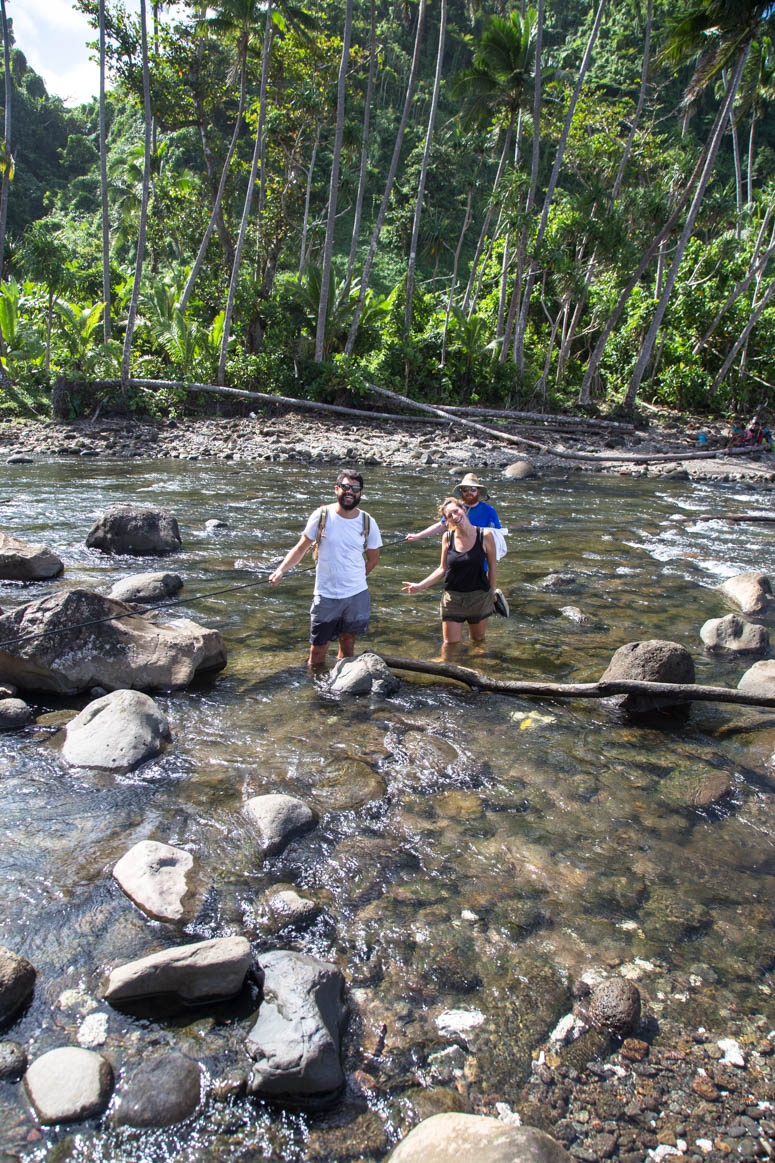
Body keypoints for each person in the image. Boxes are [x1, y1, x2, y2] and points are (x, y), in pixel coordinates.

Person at [269, 469, 382, 671]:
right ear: (336, 489)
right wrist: (280, 570)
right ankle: (317, 694)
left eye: (355, 488)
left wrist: (356, 577)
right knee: (317, 651)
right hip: (326, 595)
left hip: (357, 595)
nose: (350, 492)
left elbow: (373, 559)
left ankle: (342, 687)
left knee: (348, 647)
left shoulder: (368, 521)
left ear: (361, 493)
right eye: (346, 487)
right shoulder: (321, 516)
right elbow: (301, 547)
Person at [402, 496, 496, 659]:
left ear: (464, 510)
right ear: (446, 520)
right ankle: (449, 674)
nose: (454, 516)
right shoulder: (448, 538)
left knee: (478, 642)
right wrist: (420, 586)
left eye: (456, 511)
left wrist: (492, 594)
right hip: (452, 599)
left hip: (479, 597)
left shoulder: (485, 535)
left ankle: (478, 672)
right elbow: (442, 569)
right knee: (450, 646)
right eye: (449, 515)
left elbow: (493, 568)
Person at [406, 473, 502, 542]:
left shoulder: (489, 511)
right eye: (465, 489)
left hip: (480, 563)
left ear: (478, 491)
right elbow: (441, 525)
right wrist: (417, 536)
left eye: (473, 489)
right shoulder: (455, 510)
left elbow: (497, 536)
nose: (469, 492)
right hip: (457, 556)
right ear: (461, 491)